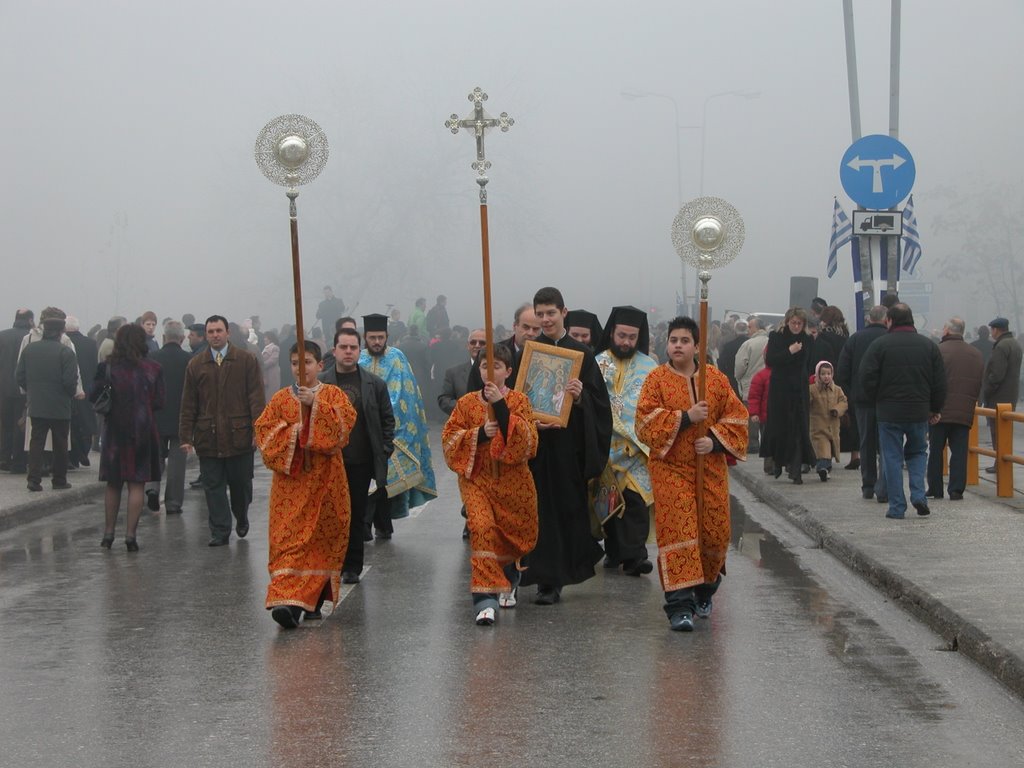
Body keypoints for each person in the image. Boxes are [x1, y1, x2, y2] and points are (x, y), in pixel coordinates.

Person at [635, 316, 748, 632]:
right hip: (670, 469)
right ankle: (679, 606)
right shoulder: (656, 379)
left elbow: (738, 418)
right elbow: (644, 423)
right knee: (679, 533)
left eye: (684, 341)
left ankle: (705, 589)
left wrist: (713, 441)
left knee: (714, 533)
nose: (678, 346)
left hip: (708, 469)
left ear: (697, 346)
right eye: (673, 340)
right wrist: (685, 417)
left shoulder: (715, 379)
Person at [256, 341, 357, 628]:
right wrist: (293, 432)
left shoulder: (334, 395)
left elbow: (344, 428)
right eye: (296, 363)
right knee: (288, 542)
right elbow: (264, 435)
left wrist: (316, 407)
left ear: (319, 365)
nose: (302, 369)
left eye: (308, 362)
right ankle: (285, 600)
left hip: (326, 482)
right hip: (291, 485)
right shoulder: (279, 400)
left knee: (319, 542)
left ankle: (310, 600)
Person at [520, 287, 611, 605]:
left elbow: (600, 404)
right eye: (540, 314)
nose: (545, 319)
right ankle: (541, 576)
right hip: (537, 444)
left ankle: (556, 577)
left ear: (563, 313)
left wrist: (582, 394)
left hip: (568, 445)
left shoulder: (582, 355)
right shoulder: (530, 352)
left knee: (565, 509)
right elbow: (520, 396)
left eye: (551, 313)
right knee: (538, 509)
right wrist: (529, 420)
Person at [442, 344, 538, 625]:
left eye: (496, 366)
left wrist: (500, 406)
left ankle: (509, 578)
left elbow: (529, 443)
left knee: (510, 533)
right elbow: (449, 441)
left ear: (508, 371)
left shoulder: (519, 400)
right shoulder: (466, 403)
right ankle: (484, 599)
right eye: (485, 366)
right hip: (478, 481)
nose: (490, 371)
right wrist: (479, 435)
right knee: (482, 528)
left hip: (513, 482)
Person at [179, 315, 266, 546]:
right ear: (206, 335)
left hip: (240, 434)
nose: (215, 335)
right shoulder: (196, 364)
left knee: (240, 483)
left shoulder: (246, 360)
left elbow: (256, 398)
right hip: (209, 436)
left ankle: (241, 514)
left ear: (227, 333)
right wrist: (186, 436)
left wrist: (259, 430)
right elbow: (189, 403)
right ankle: (220, 530)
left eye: (219, 330)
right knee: (213, 485)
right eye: (211, 332)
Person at [319, 327, 395, 584]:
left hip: (361, 461)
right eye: (344, 347)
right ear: (334, 350)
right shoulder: (321, 384)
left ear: (359, 351)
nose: (348, 352)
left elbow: (387, 421)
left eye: (353, 347)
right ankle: (329, 562)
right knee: (329, 514)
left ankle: (352, 565)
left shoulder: (375, 384)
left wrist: (384, 451)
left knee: (355, 514)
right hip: (329, 462)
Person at [860, 303, 946, 520]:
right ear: (912, 320)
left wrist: (876, 400)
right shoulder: (929, 346)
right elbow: (939, 382)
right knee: (918, 453)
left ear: (889, 321)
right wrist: (935, 408)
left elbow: (866, 378)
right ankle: (919, 495)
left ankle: (897, 506)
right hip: (919, 411)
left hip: (888, 413)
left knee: (892, 457)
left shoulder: (879, 346)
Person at [358, 313, 437, 537]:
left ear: (387, 336)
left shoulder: (397, 357)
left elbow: (406, 393)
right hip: (363, 431)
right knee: (366, 480)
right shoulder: (359, 359)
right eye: (372, 337)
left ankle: (382, 523)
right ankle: (366, 525)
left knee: (387, 479)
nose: (376, 342)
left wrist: (387, 423)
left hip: (392, 429)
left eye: (380, 337)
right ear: (365, 337)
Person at [594, 305, 657, 576]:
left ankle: (635, 557)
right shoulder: (598, 363)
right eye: (622, 335)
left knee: (636, 502)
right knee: (609, 504)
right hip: (606, 448)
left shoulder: (650, 367)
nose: (626, 342)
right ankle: (615, 551)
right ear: (611, 333)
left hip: (637, 450)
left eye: (632, 337)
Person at [90, 324, 165, 550]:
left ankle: (108, 533)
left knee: (113, 484)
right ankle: (131, 536)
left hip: (114, 431)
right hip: (142, 429)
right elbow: (160, 401)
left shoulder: (107, 367)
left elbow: (94, 395)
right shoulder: (153, 368)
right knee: (137, 485)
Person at [15, 307, 79, 493]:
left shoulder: (30, 350)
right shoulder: (66, 352)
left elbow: (19, 376)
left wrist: (33, 390)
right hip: (60, 406)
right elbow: (70, 382)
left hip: (37, 403)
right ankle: (59, 479)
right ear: (60, 332)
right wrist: (67, 395)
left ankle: (33, 480)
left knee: (36, 441)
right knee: (60, 443)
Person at [836, 305, 889, 502]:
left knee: (866, 441)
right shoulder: (889, 339)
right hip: (887, 400)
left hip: (862, 401)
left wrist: (851, 395)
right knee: (886, 444)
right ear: (886, 319)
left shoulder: (855, 339)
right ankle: (884, 486)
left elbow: (842, 372)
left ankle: (868, 485)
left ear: (868, 319)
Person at [928, 317, 984, 500]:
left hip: (939, 411)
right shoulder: (975, 354)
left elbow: (931, 381)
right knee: (959, 452)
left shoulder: (937, 351)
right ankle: (956, 489)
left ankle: (935, 489)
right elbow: (977, 384)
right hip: (964, 412)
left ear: (947, 331)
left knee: (936, 451)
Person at [761, 307, 815, 484]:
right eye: (794, 323)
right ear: (787, 322)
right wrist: (789, 352)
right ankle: (778, 461)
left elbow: (809, 363)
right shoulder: (776, 337)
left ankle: (796, 469)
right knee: (780, 427)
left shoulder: (807, 339)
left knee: (799, 428)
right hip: (780, 389)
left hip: (799, 389)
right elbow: (770, 360)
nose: (797, 326)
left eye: (800, 323)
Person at [147, 321, 191, 514]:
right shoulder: (189, 360)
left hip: (155, 415)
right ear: (182, 339)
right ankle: (173, 502)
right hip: (181, 417)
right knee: (177, 463)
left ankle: (152, 488)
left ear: (164, 338)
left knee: (154, 456)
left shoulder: (151, 358)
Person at [982, 317, 1023, 472]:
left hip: (998, 397)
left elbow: (996, 375)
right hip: (1010, 395)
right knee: (1005, 431)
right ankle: (1004, 460)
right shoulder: (1015, 344)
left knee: (996, 432)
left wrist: (987, 390)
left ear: (996, 330)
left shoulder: (1001, 346)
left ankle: (999, 462)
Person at [0, 309, 34, 473]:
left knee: (5, 425)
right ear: (30, 320)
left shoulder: (2, 336)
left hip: (3, 389)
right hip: (23, 389)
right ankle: (18, 459)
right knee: (21, 425)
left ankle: (4, 457)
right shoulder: (31, 338)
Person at [64, 316, 98, 469]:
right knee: (85, 422)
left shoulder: (62, 343)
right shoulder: (91, 344)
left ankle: (72, 455)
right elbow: (95, 367)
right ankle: (82, 452)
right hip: (87, 389)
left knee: (70, 424)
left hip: (68, 389)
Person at [808, 361, 847, 482]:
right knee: (822, 448)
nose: (826, 376)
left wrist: (837, 410)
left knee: (830, 448)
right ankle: (822, 468)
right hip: (818, 426)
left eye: (829, 374)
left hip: (833, 425)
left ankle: (826, 468)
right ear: (817, 375)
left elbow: (843, 402)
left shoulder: (837, 390)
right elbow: (806, 402)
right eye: (823, 374)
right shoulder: (812, 389)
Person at [437, 328, 486, 416]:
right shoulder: (453, 373)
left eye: (482, 343)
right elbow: (444, 400)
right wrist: (465, 407)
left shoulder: (499, 372)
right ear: (468, 345)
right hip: (463, 424)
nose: (477, 345)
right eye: (473, 342)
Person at [716, 318, 748, 394]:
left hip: (732, 379)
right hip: (749, 381)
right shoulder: (751, 345)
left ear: (735, 329)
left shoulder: (728, 346)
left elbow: (721, 363)